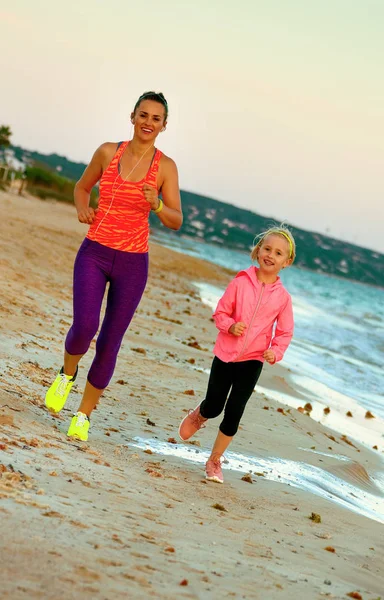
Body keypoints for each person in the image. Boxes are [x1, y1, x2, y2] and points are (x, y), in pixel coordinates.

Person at [45, 91, 182, 441]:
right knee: (85, 325)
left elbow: (176, 219)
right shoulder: (108, 151)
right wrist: (82, 207)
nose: (148, 122)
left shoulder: (166, 168)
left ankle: (83, 417)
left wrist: (158, 205)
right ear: (132, 116)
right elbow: (81, 186)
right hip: (95, 252)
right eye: (143, 115)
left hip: (133, 264)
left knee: (110, 342)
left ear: (164, 125)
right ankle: (67, 373)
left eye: (156, 118)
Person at [178, 225, 295, 484]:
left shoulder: (283, 299)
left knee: (234, 412)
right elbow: (221, 312)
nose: (270, 255)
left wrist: (275, 351)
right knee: (216, 405)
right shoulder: (240, 282)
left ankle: (214, 460)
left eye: (278, 253)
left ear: (286, 262)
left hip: (253, 360)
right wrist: (230, 326)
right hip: (225, 354)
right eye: (266, 248)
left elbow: (285, 331)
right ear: (257, 250)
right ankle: (201, 413)